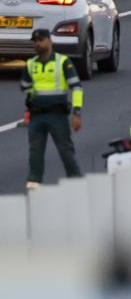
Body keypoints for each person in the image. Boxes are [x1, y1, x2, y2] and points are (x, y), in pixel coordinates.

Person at [20, 28, 82, 188]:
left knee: (66, 151)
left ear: (50, 41)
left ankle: (76, 183)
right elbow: (27, 89)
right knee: (35, 153)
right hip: (37, 117)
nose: (38, 44)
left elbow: (76, 88)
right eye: (35, 42)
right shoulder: (31, 64)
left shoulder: (63, 62)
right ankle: (34, 186)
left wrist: (77, 113)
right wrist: (28, 110)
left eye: (41, 40)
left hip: (57, 116)